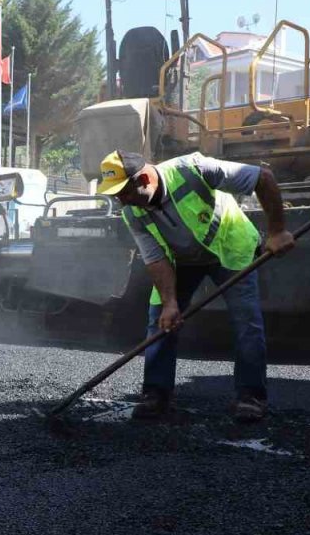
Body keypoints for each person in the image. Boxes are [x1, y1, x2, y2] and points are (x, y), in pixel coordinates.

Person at [95, 150, 296, 422]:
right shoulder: (131, 211)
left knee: (247, 321)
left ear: (143, 178)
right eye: (115, 194)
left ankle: (251, 396)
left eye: (123, 191)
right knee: (160, 320)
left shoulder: (193, 169)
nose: (120, 200)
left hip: (230, 248)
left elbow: (263, 177)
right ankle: (156, 394)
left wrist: (277, 231)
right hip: (183, 260)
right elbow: (154, 256)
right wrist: (170, 304)